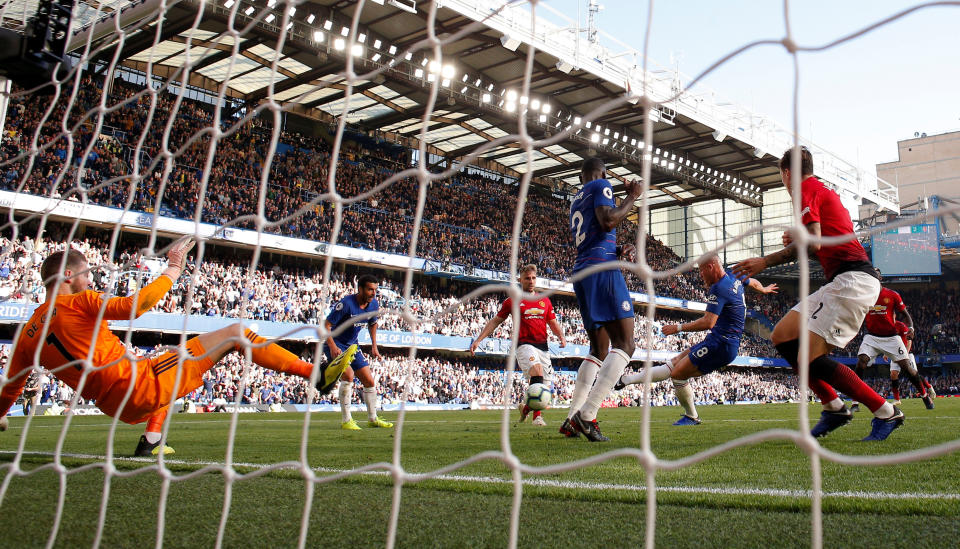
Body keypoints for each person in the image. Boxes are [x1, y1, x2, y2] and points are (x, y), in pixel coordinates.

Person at [0, 240, 356, 456]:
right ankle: (317, 375)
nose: (90, 282)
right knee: (235, 332)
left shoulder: (27, 333)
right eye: (85, 277)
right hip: (137, 386)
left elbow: (11, 386)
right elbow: (132, 308)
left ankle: (151, 440)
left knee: (172, 361)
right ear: (66, 279)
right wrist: (172, 270)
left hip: (114, 406)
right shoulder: (77, 302)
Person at [732, 146, 904, 441]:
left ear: (787, 173)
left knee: (807, 358)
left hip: (853, 281)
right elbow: (821, 248)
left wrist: (765, 260)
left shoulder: (803, 190)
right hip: (844, 279)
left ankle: (886, 411)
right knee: (781, 335)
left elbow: (814, 246)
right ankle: (834, 406)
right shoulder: (822, 192)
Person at [614, 256, 778, 424]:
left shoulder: (719, 288)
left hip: (722, 344)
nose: (701, 274)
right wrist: (763, 289)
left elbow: (708, 322)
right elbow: (751, 282)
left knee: (678, 374)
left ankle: (692, 416)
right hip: (717, 340)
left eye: (701, 269)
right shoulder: (734, 276)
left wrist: (677, 328)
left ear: (711, 266)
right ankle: (627, 380)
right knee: (675, 362)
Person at [563, 157, 643, 442]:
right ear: (603, 173)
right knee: (626, 344)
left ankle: (571, 417)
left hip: (583, 271)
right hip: (601, 270)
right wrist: (632, 197)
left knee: (598, 350)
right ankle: (587, 415)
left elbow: (597, 233)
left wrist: (619, 248)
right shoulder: (601, 184)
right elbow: (608, 220)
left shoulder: (576, 199)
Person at [469, 264, 567, 426]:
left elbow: (552, 322)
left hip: (543, 346)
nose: (531, 281)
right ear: (520, 280)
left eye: (533, 278)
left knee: (546, 388)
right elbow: (495, 321)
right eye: (527, 278)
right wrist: (479, 339)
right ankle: (537, 417)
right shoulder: (512, 301)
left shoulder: (544, 301)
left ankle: (526, 408)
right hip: (523, 344)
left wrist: (561, 336)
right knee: (538, 371)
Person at [853, 278, 933, 410]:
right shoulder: (864, 295)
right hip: (871, 336)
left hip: (891, 337)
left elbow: (906, 315)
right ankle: (855, 402)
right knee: (861, 362)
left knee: (907, 369)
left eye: (876, 275)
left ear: (880, 278)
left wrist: (911, 328)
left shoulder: (892, 294)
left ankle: (925, 396)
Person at [325, 274, 392, 430]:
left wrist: (374, 345)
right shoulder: (346, 304)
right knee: (348, 375)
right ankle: (346, 420)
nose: (373, 293)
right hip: (335, 343)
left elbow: (373, 323)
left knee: (369, 381)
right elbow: (326, 326)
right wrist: (333, 347)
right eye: (370, 289)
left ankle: (372, 419)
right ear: (360, 289)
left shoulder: (374, 304)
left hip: (353, 345)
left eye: (375, 289)